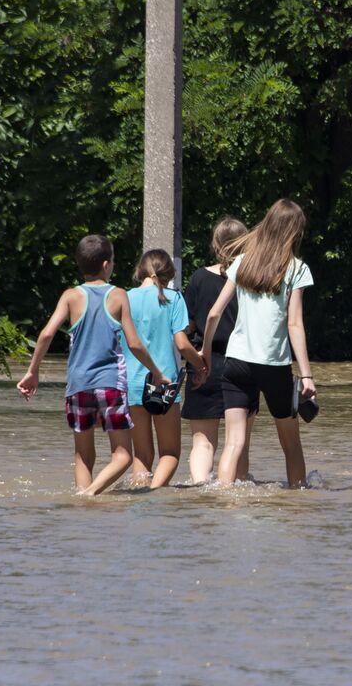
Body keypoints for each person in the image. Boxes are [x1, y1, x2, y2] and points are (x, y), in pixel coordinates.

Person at [17, 234, 165, 495]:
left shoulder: (71, 296)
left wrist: (33, 371)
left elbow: (46, 334)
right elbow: (134, 344)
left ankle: (83, 508)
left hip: (78, 384)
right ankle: (90, 494)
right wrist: (157, 372)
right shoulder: (118, 295)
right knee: (123, 457)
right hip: (110, 384)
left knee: (83, 456)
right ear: (107, 265)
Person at [199, 199, 317, 488]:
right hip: (273, 365)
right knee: (290, 442)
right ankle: (296, 502)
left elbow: (214, 313)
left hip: (236, 362)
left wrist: (204, 352)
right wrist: (306, 375)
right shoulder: (296, 268)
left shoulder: (242, 262)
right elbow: (294, 324)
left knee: (233, 443)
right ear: (294, 231)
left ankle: (224, 499)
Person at [126, 248, 207, 489]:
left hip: (131, 383)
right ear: (168, 275)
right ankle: (153, 494)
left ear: (140, 271)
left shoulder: (124, 298)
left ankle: (140, 505)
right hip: (164, 386)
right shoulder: (174, 299)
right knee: (170, 454)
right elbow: (182, 344)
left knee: (141, 456)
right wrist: (200, 364)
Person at [182, 216, 251, 484]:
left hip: (203, 363)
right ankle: (236, 491)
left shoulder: (199, 278)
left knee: (202, 442)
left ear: (215, 243)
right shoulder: (250, 279)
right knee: (239, 443)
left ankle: (201, 488)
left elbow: (187, 325)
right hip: (244, 363)